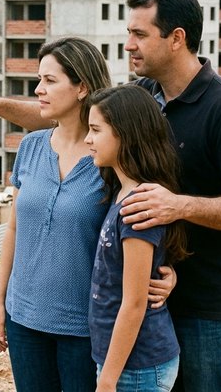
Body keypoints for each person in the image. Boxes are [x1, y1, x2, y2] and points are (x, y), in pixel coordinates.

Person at [0, 0, 221, 392]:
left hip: (209, 302)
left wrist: (175, 207)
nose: (128, 45)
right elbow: (68, 117)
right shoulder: (142, 97)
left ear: (176, 38)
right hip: (149, 294)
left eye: (139, 34)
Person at [0, 37, 111, 391]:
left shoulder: (110, 158)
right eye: (39, 80)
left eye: (50, 81)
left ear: (82, 86)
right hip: (23, 321)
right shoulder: (31, 146)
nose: (39, 90)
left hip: (85, 328)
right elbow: (14, 229)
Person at [85, 85, 188, 392]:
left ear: (124, 134)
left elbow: (133, 303)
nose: (88, 139)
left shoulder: (138, 207)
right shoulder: (123, 193)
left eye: (95, 130)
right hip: (126, 362)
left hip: (137, 367)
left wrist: (107, 380)